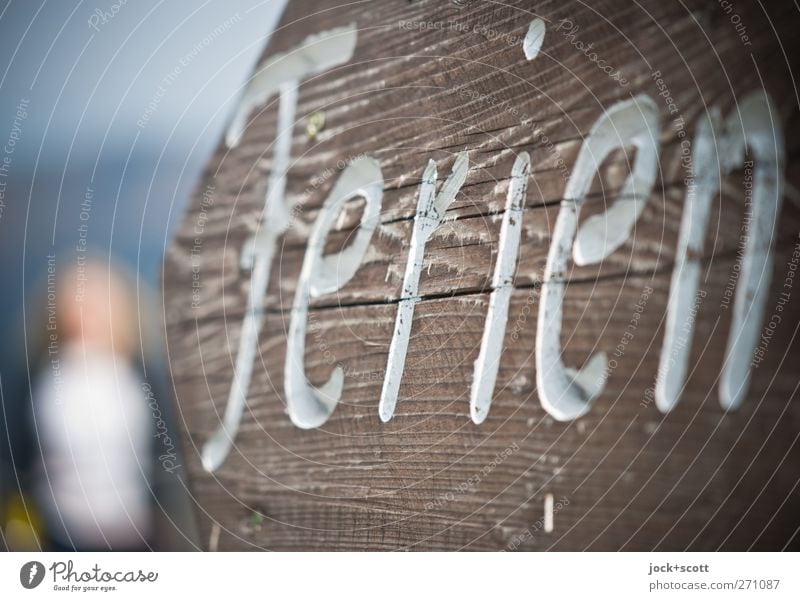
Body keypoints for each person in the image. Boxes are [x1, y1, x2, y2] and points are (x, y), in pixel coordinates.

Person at [29, 259, 154, 551]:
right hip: (62, 534)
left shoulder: (139, 376)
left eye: (98, 305)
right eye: (79, 305)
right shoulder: (43, 379)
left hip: (134, 533)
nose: (88, 316)